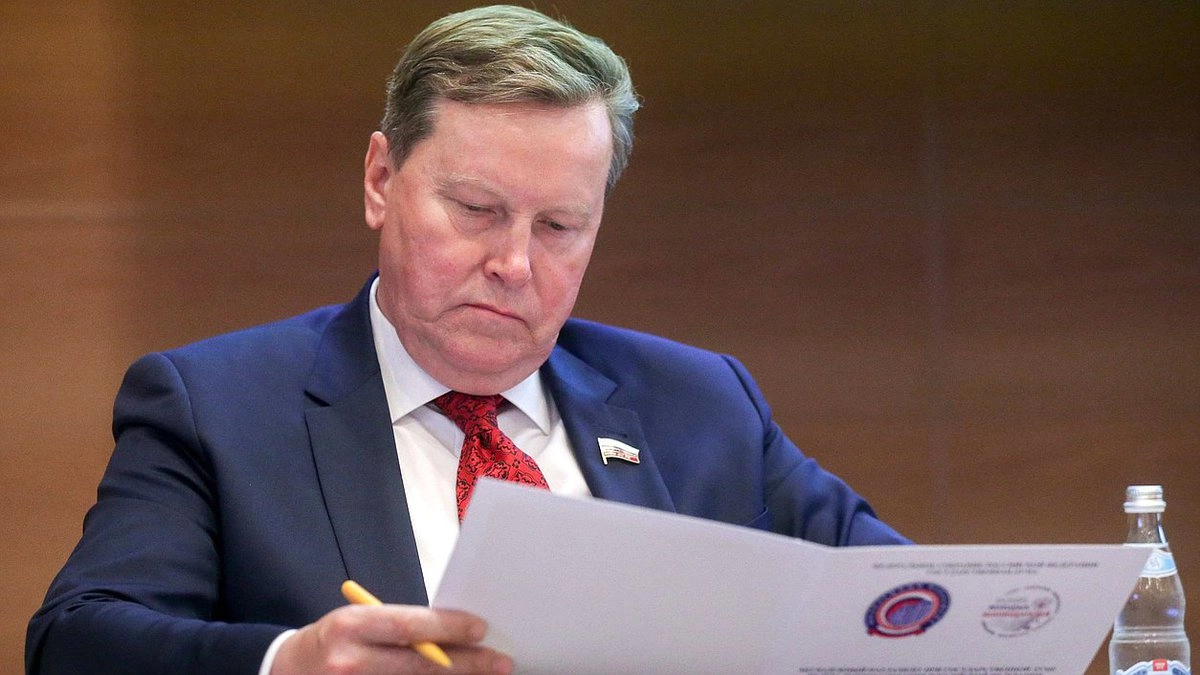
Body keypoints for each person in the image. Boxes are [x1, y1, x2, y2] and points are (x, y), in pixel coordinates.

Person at [26, 5, 908, 674]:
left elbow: (906, 604)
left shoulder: (701, 404)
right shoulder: (216, 408)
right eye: (478, 210)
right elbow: (75, 639)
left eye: (559, 226)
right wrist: (288, 661)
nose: (514, 263)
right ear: (381, 179)